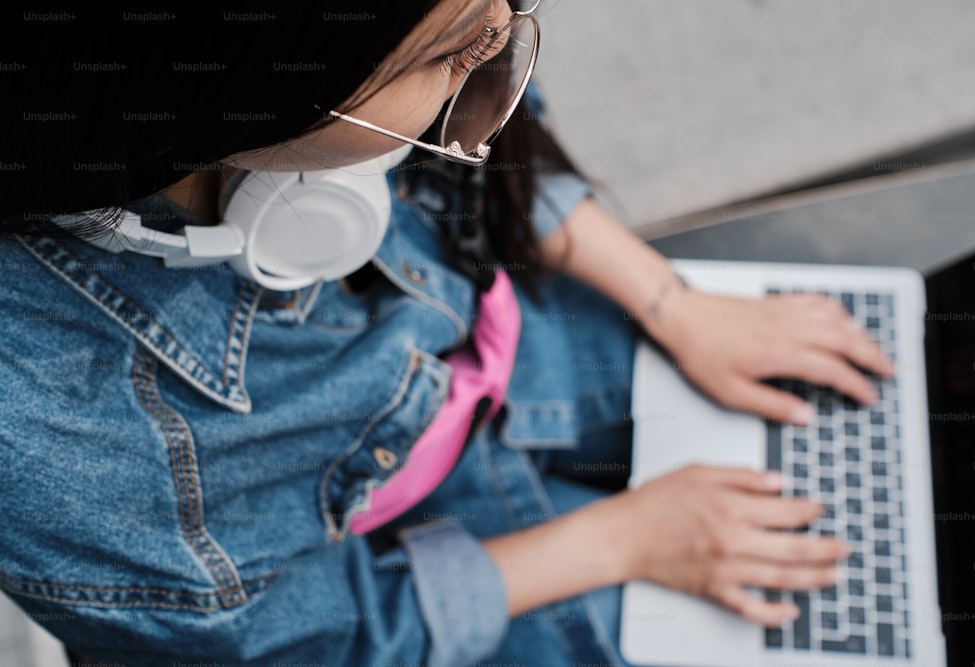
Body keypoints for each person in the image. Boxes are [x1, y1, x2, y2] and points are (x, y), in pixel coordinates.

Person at [0, 2, 894, 665]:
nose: (500, 43)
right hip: (405, 564)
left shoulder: (421, 36)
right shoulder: (45, 440)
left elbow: (487, 130)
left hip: (499, 333)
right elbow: (296, 640)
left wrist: (672, 302)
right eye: (449, 53)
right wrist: (627, 541)